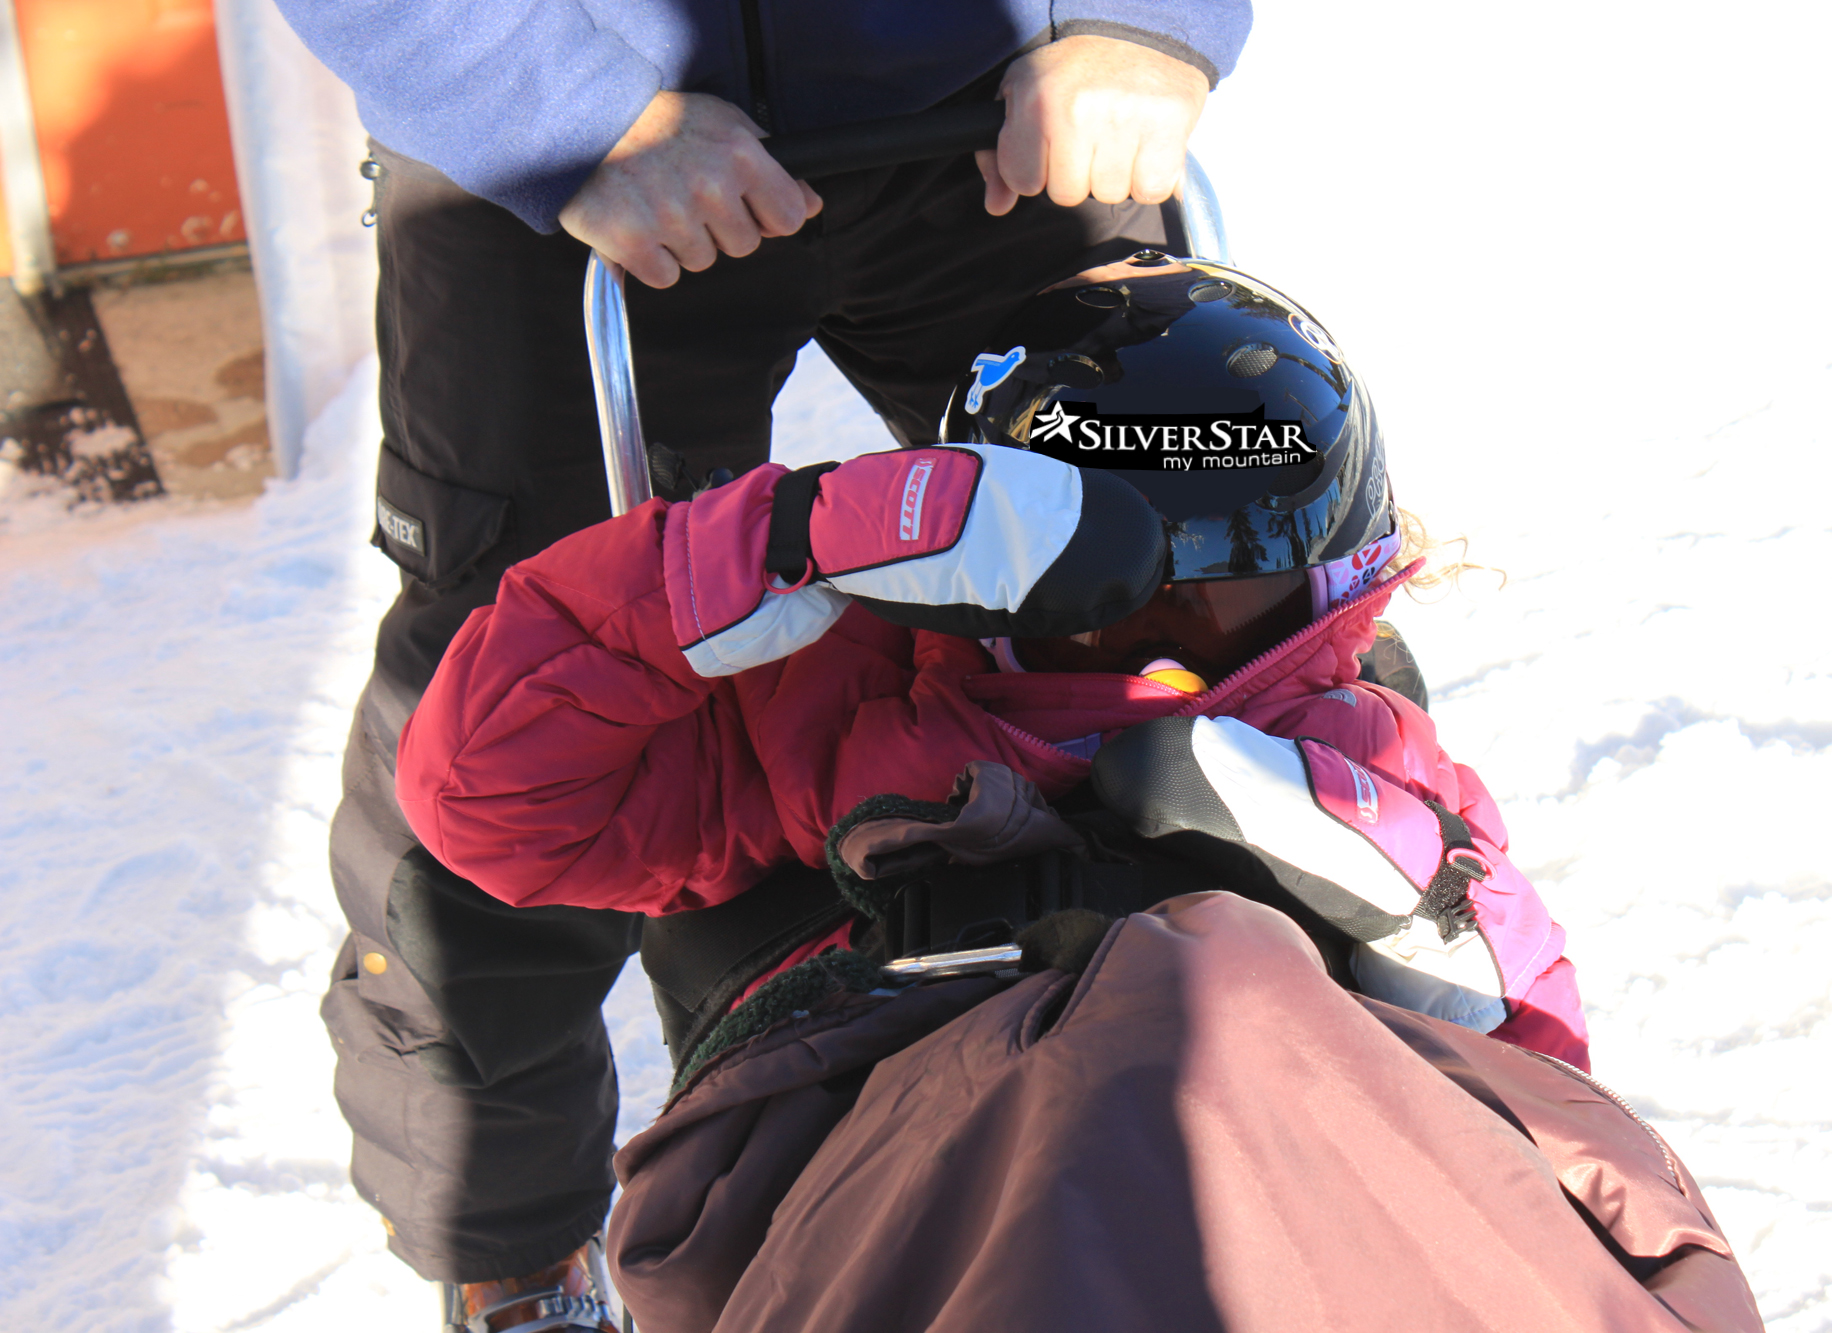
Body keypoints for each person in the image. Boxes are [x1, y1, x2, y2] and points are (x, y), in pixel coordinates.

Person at [266, 0, 1253, 1325]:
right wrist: (553, 107)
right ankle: (515, 1252)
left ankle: (1245, 1107)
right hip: (563, 143)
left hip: (1007, 100)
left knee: (1194, 617)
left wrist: (1145, 20)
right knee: (519, 707)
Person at [392, 258, 1611, 1323]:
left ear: (1332, 587)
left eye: (1226, 606)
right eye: (1099, 611)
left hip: (1278, 1156)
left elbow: (1550, 1107)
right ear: (979, 569)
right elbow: (491, 795)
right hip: (906, 1131)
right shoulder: (854, 693)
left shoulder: (1352, 740)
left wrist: (1424, 913)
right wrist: (799, 539)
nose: (1164, 660)